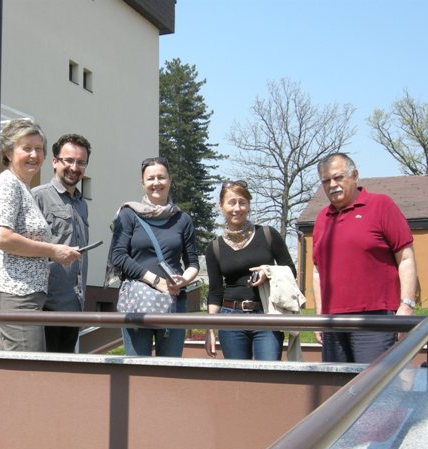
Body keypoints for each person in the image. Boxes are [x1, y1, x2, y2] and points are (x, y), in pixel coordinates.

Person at [312, 152, 417, 363]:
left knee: (374, 381)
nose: (332, 185)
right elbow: (317, 271)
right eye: (326, 180)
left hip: (374, 318)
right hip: (332, 320)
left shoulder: (381, 205)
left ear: (354, 175)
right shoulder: (323, 217)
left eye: (338, 177)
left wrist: (406, 305)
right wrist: (319, 315)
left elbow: (405, 258)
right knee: (335, 382)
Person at [0, 119, 81, 352]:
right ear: (8, 152)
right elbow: (2, 237)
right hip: (17, 295)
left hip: (29, 296)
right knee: (27, 369)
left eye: (39, 148)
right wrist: (53, 250)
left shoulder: (22, 187)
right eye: (26, 148)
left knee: (28, 368)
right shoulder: (9, 184)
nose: (34, 155)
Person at [108, 156, 199, 357]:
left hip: (174, 300)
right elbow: (119, 256)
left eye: (161, 177)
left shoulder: (183, 219)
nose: (156, 183)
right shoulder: (128, 214)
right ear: (142, 183)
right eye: (150, 178)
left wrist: (183, 280)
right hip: (137, 299)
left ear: (170, 180)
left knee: (170, 368)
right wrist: (156, 281)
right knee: (137, 367)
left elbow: (193, 262)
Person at [204, 180, 296, 360]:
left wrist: (267, 272)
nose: (237, 208)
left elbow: (291, 270)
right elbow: (215, 292)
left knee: (269, 373)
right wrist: (210, 330)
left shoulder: (268, 234)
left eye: (242, 202)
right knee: (238, 375)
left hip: (266, 314)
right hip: (230, 318)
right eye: (231, 202)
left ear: (249, 205)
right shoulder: (214, 247)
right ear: (221, 206)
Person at [33, 134, 92, 352]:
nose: (74, 167)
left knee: (65, 368)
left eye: (81, 162)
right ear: (55, 161)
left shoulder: (81, 204)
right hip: (45, 306)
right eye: (69, 160)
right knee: (43, 369)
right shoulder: (38, 197)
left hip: (74, 305)